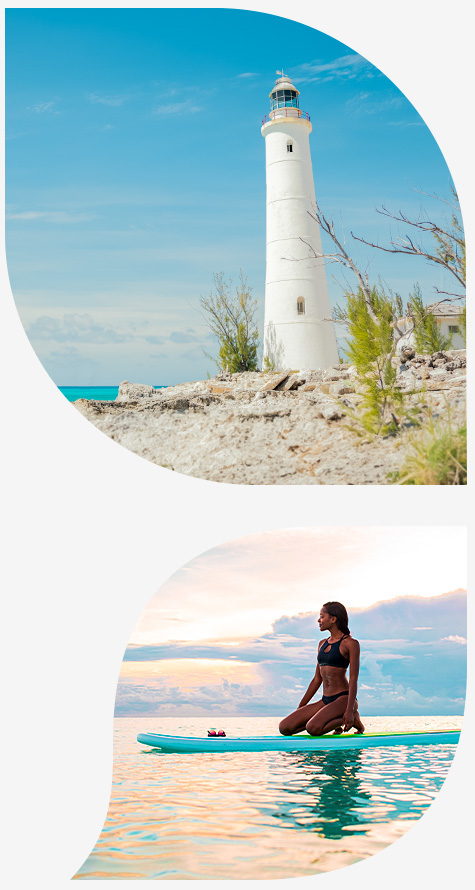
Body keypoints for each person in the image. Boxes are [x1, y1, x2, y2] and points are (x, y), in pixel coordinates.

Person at [279, 602, 365, 737]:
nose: (319, 620)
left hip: (344, 698)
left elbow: (353, 679)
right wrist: (300, 708)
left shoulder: (350, 644)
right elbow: (316, 679)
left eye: (321, 616)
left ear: (333, 619)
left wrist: (349, 710)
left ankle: (353, 717)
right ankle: (336, 720)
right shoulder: (322, 644)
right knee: (285, 727)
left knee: (313, 728)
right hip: (326, 700)